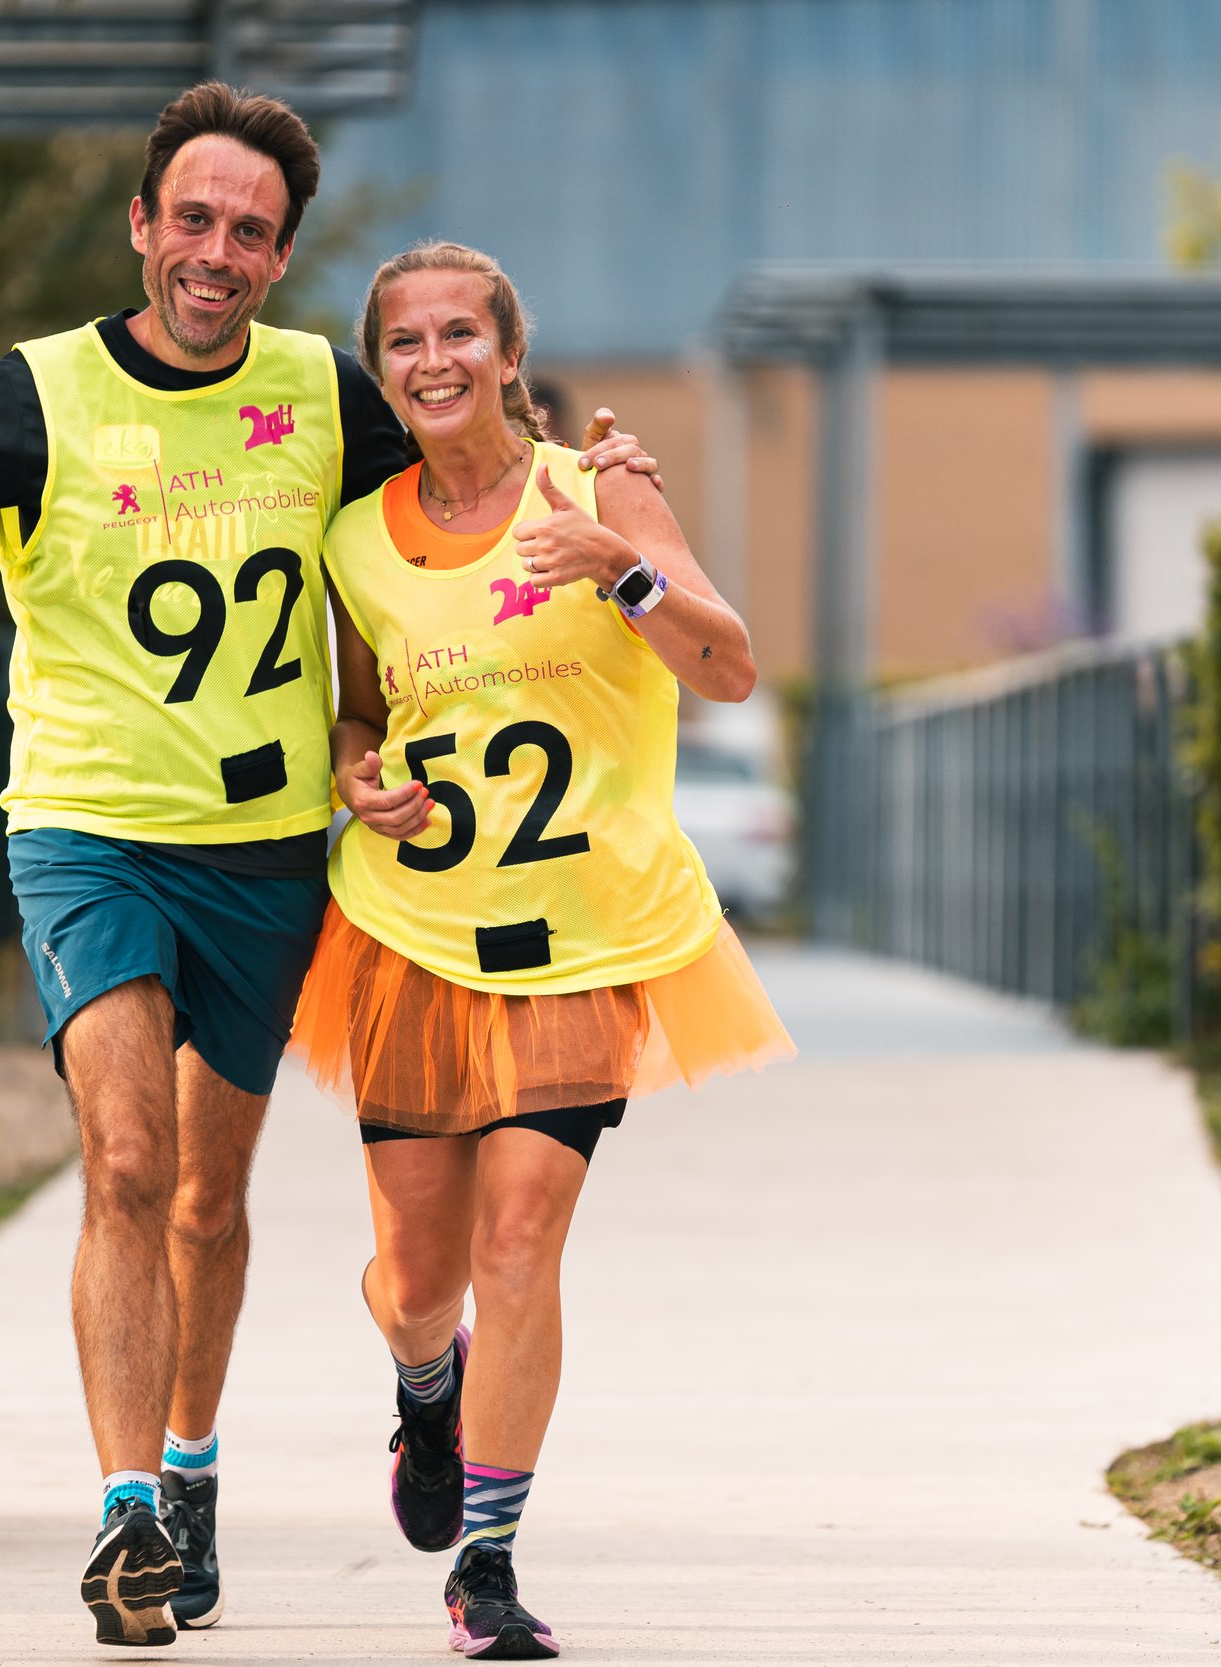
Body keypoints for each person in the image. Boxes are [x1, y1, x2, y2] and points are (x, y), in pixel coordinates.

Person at [0, 90, 660, 1649]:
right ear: (141, 226)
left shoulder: (323, 390)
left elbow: (473, 464)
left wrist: (606, 479)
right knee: (125, 1160)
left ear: (278, 257)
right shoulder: (41, 393)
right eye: (192, 218)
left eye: (250, 231)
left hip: (262, 854)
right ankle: (128, 1510)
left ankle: (191, 1471)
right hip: (90, 830)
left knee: (205, 1197)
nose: (216, 250)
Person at [289, 242, 795, 1660]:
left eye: (462, 333)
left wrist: (622, 573)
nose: (434, 361)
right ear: (382, 369)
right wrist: (358, 773)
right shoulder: (355, 538)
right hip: (411, 933)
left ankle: (490, 1563)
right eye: (406, 342)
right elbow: (362, 709)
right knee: (416, 1280)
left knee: (521, 1239)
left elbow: (729, 664)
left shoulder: (602, 486)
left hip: (584, 934)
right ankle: (425, 1388)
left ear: (510, 354)